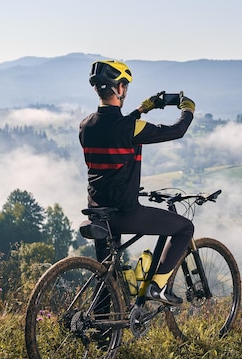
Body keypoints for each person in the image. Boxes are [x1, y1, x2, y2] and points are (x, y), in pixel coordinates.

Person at [79, 60, 195, 305]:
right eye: (125, 86)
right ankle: (158, 287)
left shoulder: (86, 125)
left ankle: (102, 338)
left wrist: (143, 109)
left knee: (105, 280)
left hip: (97, 213)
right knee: (185, 228)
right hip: (124, 213)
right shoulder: (130, 128)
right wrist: (188, 110)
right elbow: (176, 131)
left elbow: (115, 129)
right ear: (120, 89)